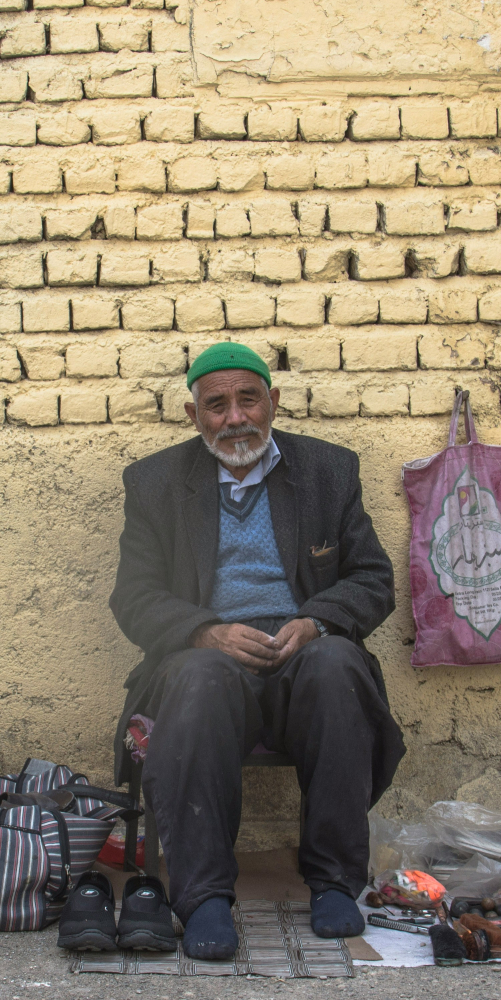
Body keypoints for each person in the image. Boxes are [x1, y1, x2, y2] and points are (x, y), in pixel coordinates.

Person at [108, 341, 407, 960]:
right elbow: (134, 598)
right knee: (198, 678)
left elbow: (373, 579)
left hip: (302, 654)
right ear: (194, 418)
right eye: (217, 406)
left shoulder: (328, 471)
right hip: (214, 660)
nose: (235, 417)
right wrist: (204, 631)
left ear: (273, 402)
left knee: (337, 666)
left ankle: (333, 883)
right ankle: (203, 896)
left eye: (249, 400)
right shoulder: (156, 484)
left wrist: (318, 621)